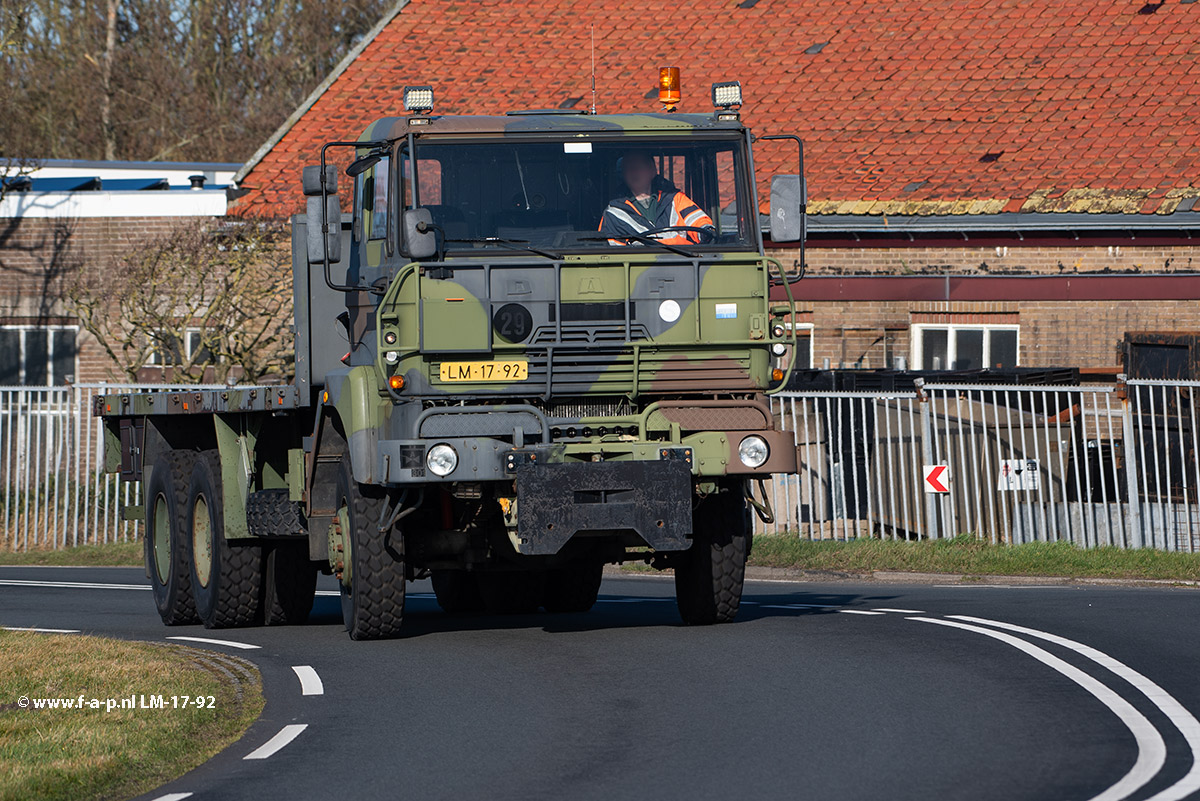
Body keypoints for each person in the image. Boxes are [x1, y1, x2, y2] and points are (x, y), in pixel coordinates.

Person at [598, 151, 715, 246]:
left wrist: (706, 232)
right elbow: (611, 253)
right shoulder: (613, 214)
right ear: (623, 174)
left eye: (638, 166)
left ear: (653, 171)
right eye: (628, 168)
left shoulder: (675, 199)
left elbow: (700, 223)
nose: (634, 172)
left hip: (683, 263)